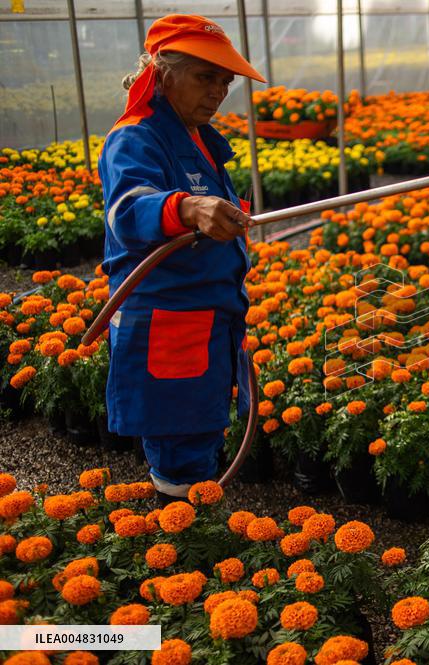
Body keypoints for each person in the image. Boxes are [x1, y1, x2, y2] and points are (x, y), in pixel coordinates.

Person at [99, 14, 266, 503]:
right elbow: (127, 212)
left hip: (208, 316)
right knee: (178, 443)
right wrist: (188, 207)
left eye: (224, 82)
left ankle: (192, 535)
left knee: (202, 430)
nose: (217, 91)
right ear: (162, 73)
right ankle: (178, 550)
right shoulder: (136, 137)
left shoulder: (199, 137)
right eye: (205, 77)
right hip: (169, 321)